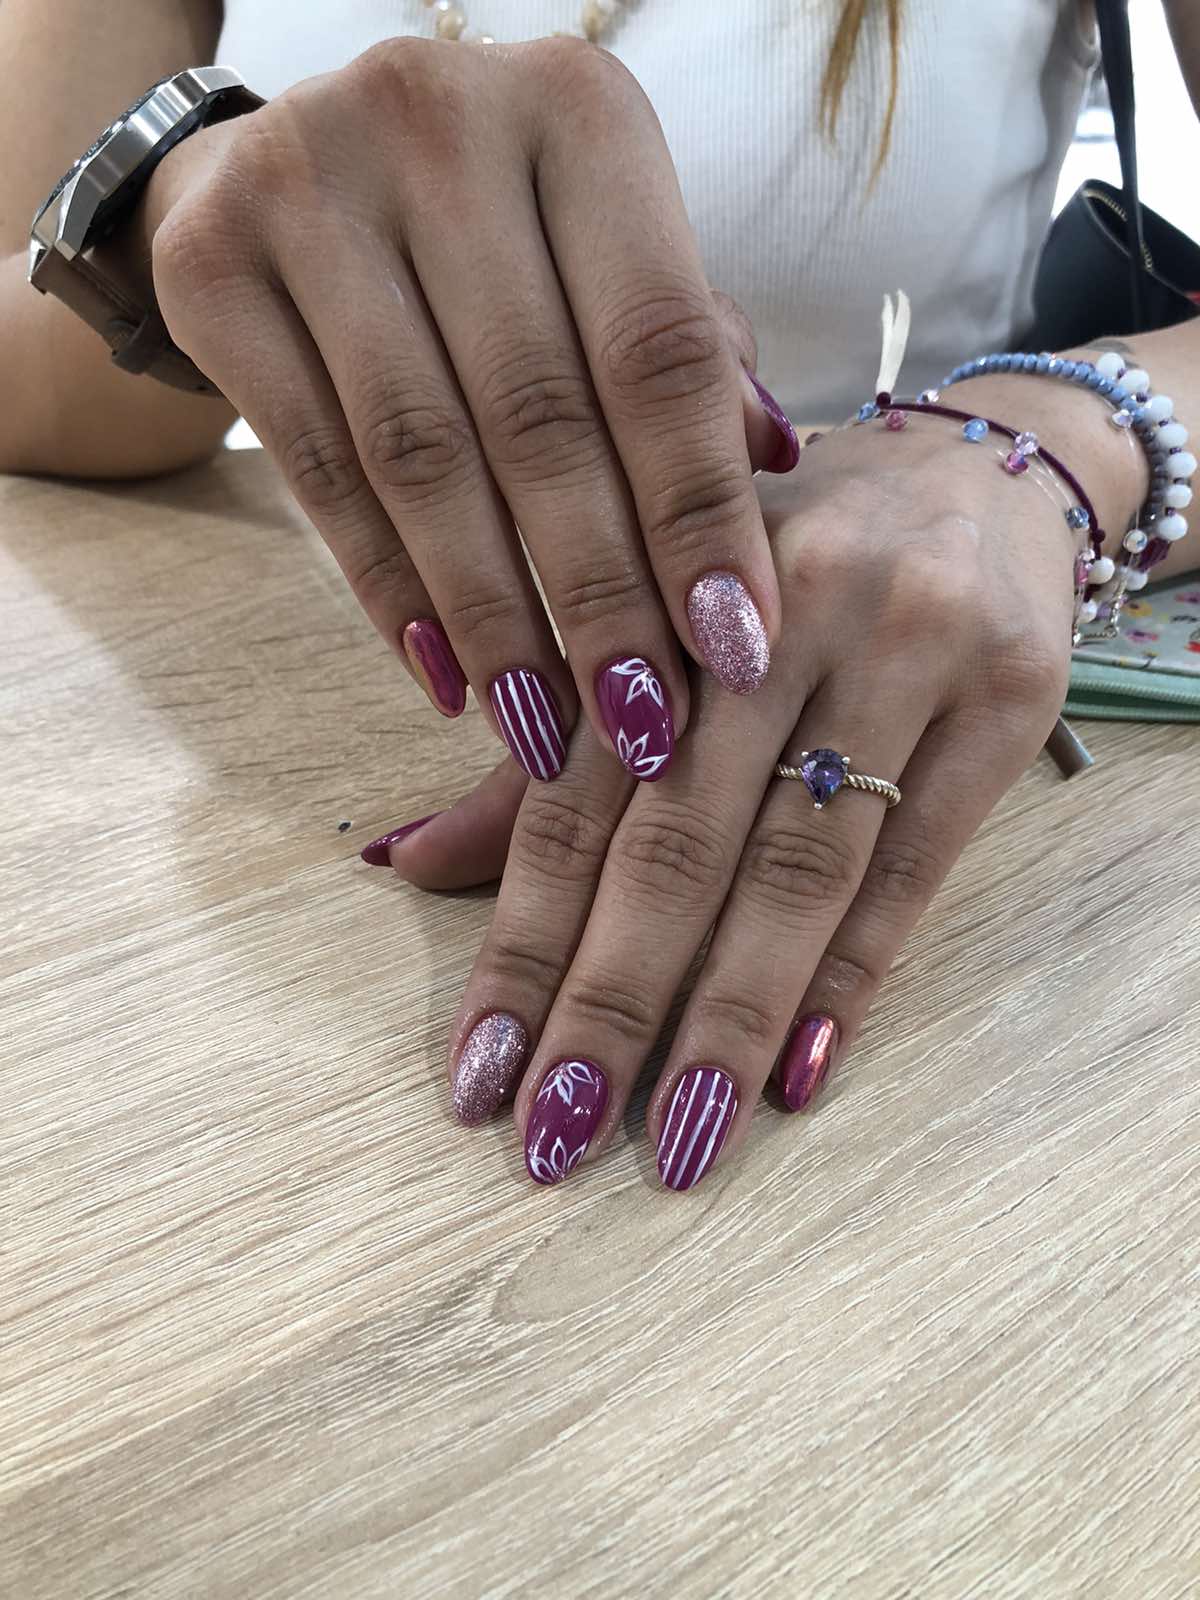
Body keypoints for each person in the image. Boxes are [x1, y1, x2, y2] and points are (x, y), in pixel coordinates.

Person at [4, 0, 1198, 1191]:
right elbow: (49, 368)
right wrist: (178, 196)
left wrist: (1049, 439)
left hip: (913, 708)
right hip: (268, 752)